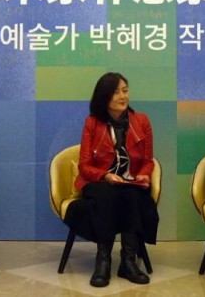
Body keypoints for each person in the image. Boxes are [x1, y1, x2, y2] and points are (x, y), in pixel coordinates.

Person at [64, 72, 159, 287]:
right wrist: (105, 175)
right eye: (116, 92)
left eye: (125, 90)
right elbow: (84, 166)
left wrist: (143, 174)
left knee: (130, 194)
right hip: (98, 182)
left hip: (130, 182)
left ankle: (128, 261)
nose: (123, 96)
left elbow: (147, 160)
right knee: (108, 195)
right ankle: (103, 261)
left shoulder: (142, 121)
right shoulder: (92, 123)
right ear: (104, 97)